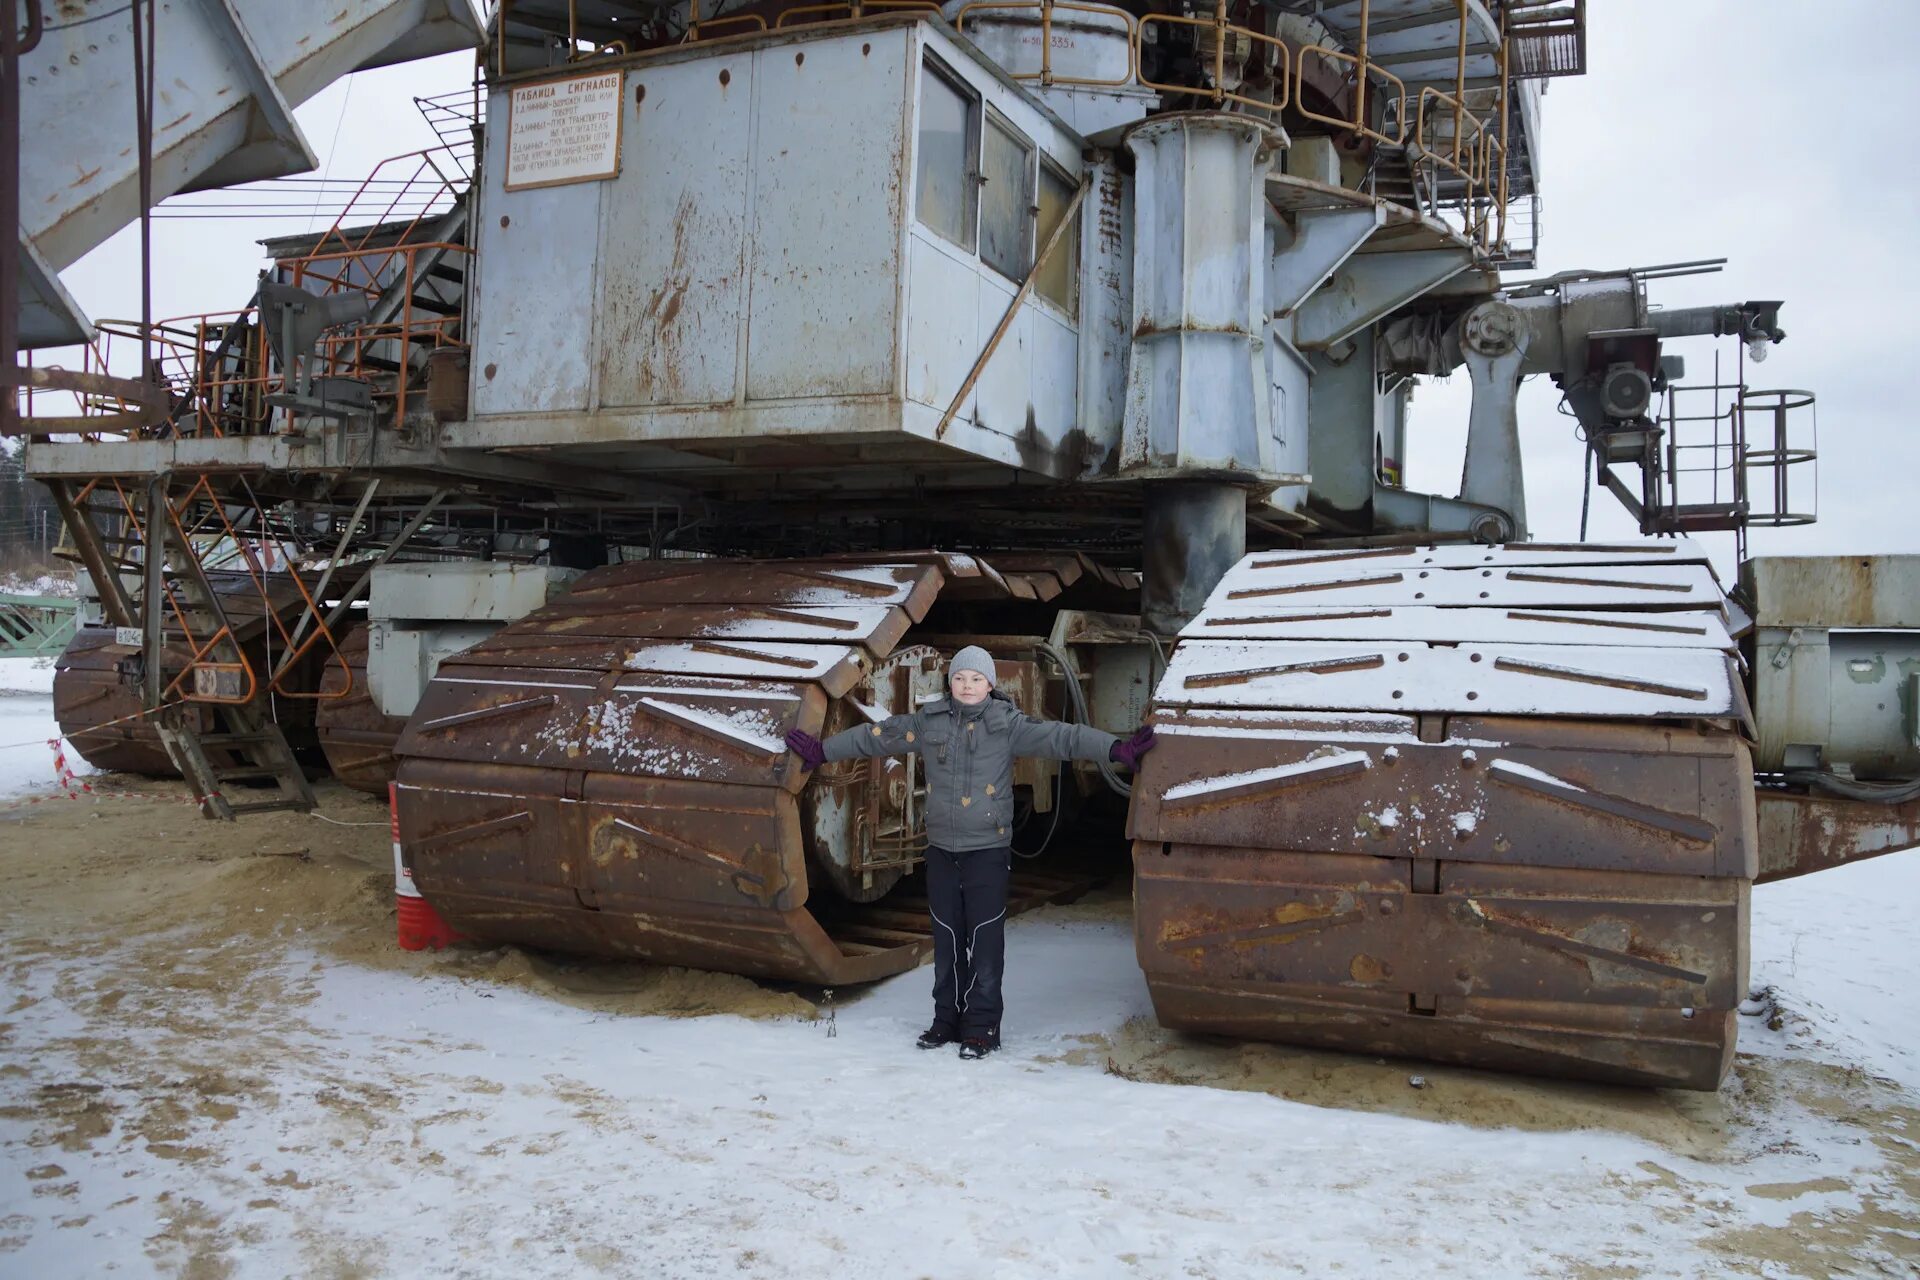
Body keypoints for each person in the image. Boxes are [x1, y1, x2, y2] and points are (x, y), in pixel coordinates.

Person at [784, 645, 1156, 1060]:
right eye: (960, 678)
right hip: (942, 850)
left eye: (976, 679)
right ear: (950, 682)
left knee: (983, 940)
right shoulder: (930, 722)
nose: (967, 685)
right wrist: (823, 752)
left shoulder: (1007, 724)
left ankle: (982, 1027)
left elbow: (1063, 737)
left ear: (990, 685)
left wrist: (1115, 748)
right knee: (946, 939)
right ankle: (946, 1020)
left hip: (987, 852)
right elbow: (878, 736)